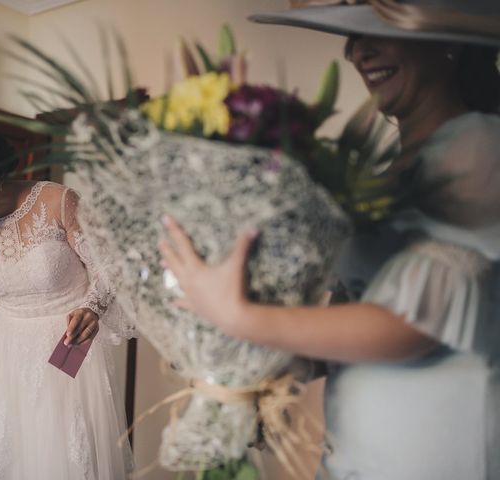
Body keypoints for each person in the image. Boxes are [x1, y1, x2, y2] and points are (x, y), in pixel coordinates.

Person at [159, 1, 500, 479]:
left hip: (433, 451)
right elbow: (352, 316)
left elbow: (413, 325)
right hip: (353, 455)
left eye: (379, 29)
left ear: (446, 39)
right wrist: (253, 361)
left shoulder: (480, 144)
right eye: (354, 38)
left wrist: (241, 316)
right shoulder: (381, 176)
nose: (358, 52)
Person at [0, 115, 134, 479]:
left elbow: (109, 267)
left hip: (68, 347)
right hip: (1, 355)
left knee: (60, 457)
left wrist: (92, 307)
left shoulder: (57, 201)